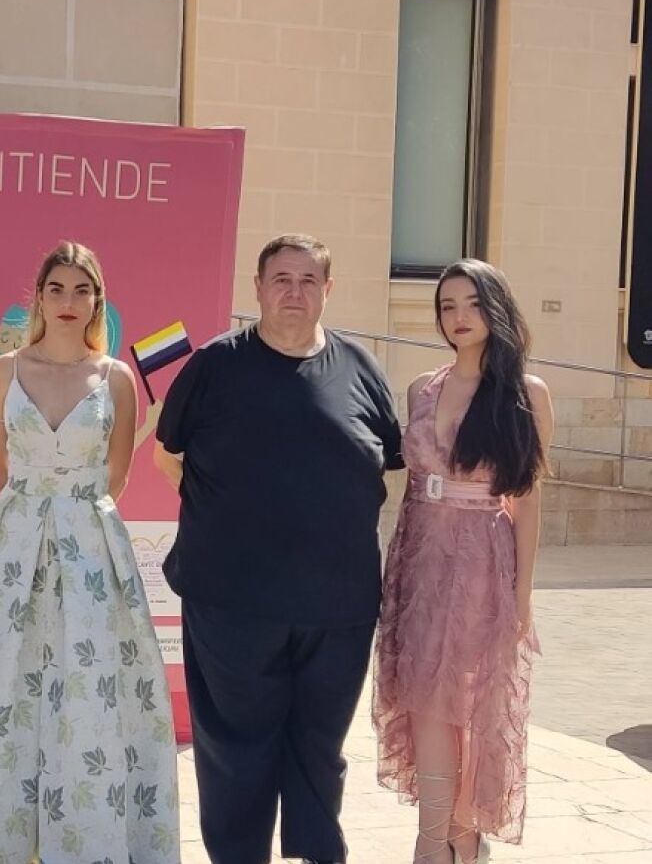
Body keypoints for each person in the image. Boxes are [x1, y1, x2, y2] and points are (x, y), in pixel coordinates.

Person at [0, 242, 179, 864]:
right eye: (57, 288)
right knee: (6, 680)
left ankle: (86, 838)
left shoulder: (116, 378)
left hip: (93, 551)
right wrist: (36, 515)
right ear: (40, 297)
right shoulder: (4, 371)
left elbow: (116, 476)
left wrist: (71, 516)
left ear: (97, 300)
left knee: (88, 688)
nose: (69, 301)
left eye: (82, 290)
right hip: (14, 543)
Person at [154, 233, 404, 864]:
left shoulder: (360, 367)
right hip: (232, 602)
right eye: (282, 279)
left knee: (319, 747)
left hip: (339, 606)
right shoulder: (215, 365)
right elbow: (167, 455)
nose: (295, 291)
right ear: (259, 288)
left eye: (308, 279)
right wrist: (230, 515)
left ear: (328, 289)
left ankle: (320, 854)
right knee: (235, 750)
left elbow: (389, 465)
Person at [375, 260, 552, 864]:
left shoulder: (526, 393)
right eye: (447, 306)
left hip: (482, 561)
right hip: (421, 555)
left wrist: (522, 596)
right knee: (426, 698)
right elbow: (409, 489)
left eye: (472, 303)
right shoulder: (421, 388)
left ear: (496, 308)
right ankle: (444, 842)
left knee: (469, 703)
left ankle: (452, 841)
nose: (459, 317)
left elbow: (528, 501)